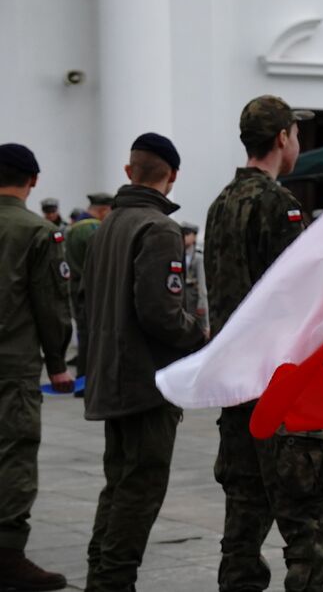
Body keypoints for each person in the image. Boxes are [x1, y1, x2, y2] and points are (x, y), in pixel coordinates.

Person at [205, 94, 323, 592]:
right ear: (283, 138)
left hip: (236, 388)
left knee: (241, 526)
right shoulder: (277, 204)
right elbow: (298, 299)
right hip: (280, 391)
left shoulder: (221, 204)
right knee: (308, 529)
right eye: (296, 134)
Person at [82, 133, 206, 591]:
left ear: (128, 171)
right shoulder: (158, 229)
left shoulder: (108, 223)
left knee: (118, 485)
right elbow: (161, 313)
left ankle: (102, 575)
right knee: (139, 490)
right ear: (171, 176)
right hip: (144, 383)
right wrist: (199, 336)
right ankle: (113, 581)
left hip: (112, 375)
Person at [0, 143, 74, 590]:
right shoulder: (36, 231)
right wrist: (58, 364)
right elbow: (50, 306)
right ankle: (6, 553)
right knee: (13, 454)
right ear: (33, 181)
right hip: (12, 364)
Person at [65, 192, 114, 397]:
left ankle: (82, 380)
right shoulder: (94, 229)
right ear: (103, 209)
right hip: (91, 290)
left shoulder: (72, 228)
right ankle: (87, 383)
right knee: (91, 339)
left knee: (84, 336)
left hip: (75, 288)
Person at [180, 223, 209, 335]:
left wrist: (202, 304)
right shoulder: (180, 254)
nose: (185, 237)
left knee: (199, 329)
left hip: (194, 297)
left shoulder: (198, 258)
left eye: (188, 234)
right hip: (183, 298)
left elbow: (202, 284)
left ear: (194, 236)